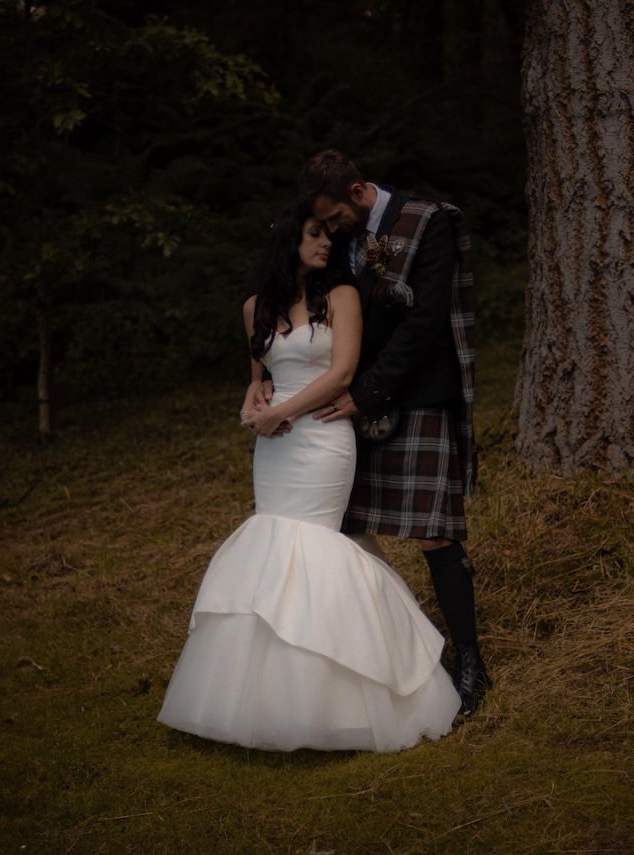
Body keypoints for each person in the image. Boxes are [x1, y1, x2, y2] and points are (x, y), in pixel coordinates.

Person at [157, 202, 461, 752]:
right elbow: (258, 377)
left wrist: (282, 412)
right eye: (314, 234)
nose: (326, 243)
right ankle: (264, 702)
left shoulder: (341, 297)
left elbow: (342, 373)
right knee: (272, 543)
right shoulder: (254, 308)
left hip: (322, 437)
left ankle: (350, 693)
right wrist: (253, 405)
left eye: (328, 235)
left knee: (315, 544)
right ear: (288, 242)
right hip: (274, 448)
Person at [296, 149, 491, 714]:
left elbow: (426, 322)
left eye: (336, 217)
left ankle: (471, 663)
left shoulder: (428, 221)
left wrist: (365, 392)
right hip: (353, 397)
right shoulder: (339, 237)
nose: (332, 230)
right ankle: (380, 660)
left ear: (358, 192)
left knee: (435, 531)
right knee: (343, 530)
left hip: (417, 392)